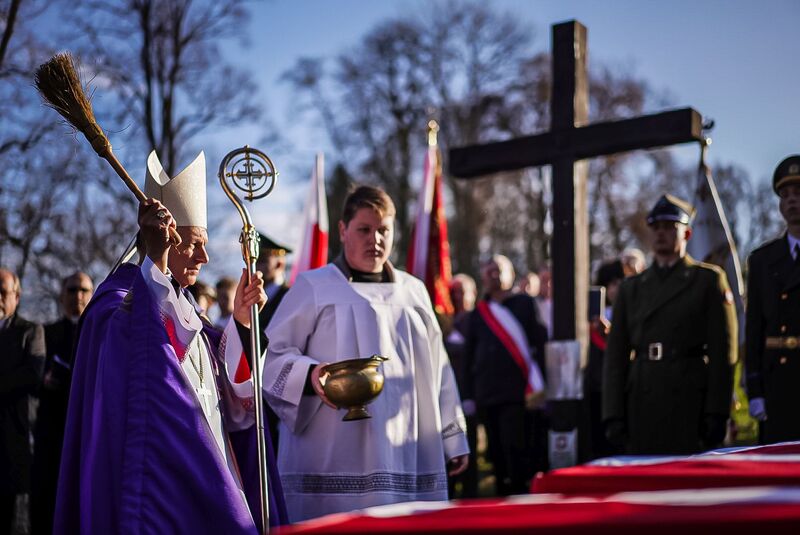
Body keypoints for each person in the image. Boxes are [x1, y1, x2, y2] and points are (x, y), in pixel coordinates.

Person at [53, 151, 287, 534]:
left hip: (211, 470)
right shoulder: (116, 301)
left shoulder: (192, 311)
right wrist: (156, 262)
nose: (205, 257)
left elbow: (228, 401)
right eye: (193, 244)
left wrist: (243, 321)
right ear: (164, 240)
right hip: (156, 484)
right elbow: (136, 358)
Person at [263, 185, 468, 522]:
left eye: (384, 230)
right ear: (343, 230)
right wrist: (311, 375)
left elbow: (439, 369)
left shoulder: (414, 292)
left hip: (407, 448)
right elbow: (273, 358)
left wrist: (453, 438)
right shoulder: (314, 286)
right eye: (364, 229)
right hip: (332, 450)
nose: (376, 239)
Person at [603, 194, 737, 455]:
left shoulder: (707, 280)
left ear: (686, 234)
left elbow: (723, 353)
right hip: (642, 399)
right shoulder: (632, 288)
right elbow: (615, 357)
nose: (660, 233)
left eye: (669, 227)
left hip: (689, 398)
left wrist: (717, 411)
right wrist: (613, 414)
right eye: (656, 228)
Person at [461, 255, 548, 495]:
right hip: (487, 395)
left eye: (499, 270)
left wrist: (544, 385)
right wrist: (467, 396)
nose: (494, 275)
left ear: (511, 274)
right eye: (489, 271)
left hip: (518, 395)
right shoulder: (479, 313)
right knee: (496, 454)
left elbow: (540, 343)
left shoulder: (525, 304)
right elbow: (468, 357)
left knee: (516, 451)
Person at [31, 272, 93, 535]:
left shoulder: (101, 333)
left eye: (84, 290)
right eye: (72, 290)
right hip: (51, 431)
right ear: (61, 295)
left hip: (86, 432)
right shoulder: (45, 333)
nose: (78, 296)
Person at [746, 155, 800, 443]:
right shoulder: (762, 260)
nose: (792, 200)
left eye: (798, 193)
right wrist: (754, 389)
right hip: (776, 382)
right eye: (785, 195)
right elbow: (754, 328)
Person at [0, 268, 45, 535]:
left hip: (12, 441)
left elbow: (31, 375)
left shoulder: (30, 331)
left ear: (16, 297)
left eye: (3, 292)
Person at [445, 273, 479, 498]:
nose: (457, 297)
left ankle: (470, 495)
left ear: (473, 294)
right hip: (448, 394)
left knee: (469, 447)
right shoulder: (444, 323)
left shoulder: (477, 321)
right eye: (453, 292)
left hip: (469, 394)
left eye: (462, 292)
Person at [256, 233, 292, 328]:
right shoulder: (253, 297)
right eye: (255, 262)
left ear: (279, 265)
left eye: (262, 261)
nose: (256, 267)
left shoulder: (290, 295)